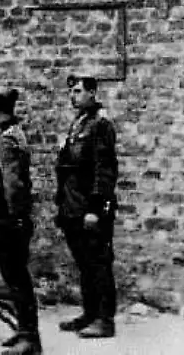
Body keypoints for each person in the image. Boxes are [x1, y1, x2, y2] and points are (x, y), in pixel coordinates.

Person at [55, 74, 118, 339]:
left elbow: (104, 171)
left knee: (99, 263)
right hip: (73, 207)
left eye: (79, 91)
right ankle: (89, 314)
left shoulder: (100, 125)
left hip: (89, 209)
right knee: (84, 263)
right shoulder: (79, 123)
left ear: (92, 93)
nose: (73, 96)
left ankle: (105, 321)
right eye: (71, 91)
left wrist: (95, 208)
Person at [0, 87, 43, 355]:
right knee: (15, 277)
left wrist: (16, 217)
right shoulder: (12, 135)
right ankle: (23, 330)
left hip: (5, 219)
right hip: (7, 218)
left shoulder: (6, 140)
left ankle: (30, 338)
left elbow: (13, 184)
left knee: (16, 278)